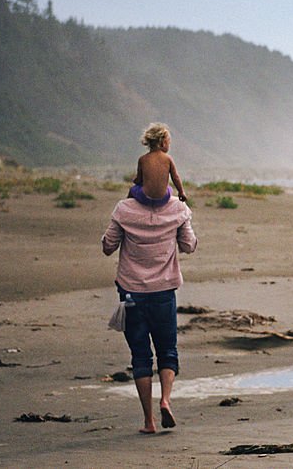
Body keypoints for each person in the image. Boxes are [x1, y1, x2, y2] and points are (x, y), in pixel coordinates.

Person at [102, 188, 198, 434]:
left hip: (131, 293)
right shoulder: (178, 209)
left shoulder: (124, 209)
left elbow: (108, 246)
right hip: (164, 292)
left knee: (141, 356)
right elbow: (188, 245)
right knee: (167, 351)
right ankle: (165, 400)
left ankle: (148, 421)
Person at [129, 123, 187, 206]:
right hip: (163, 199)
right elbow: (175, 177)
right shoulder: (168, 159)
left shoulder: (142, 159)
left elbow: (139, 180)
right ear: (162, 143)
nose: (169, 146)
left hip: (145, 198)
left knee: (133, 189)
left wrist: (136, 181)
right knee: (169, 189)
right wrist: (181, 192)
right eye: (168, 143)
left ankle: (129, 207)